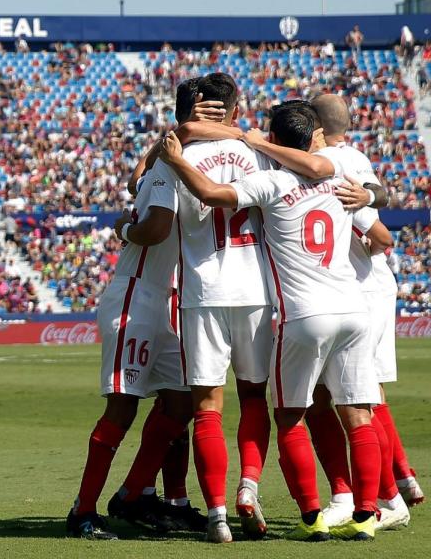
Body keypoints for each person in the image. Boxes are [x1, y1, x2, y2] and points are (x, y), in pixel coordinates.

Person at [162, 102, 384, 542]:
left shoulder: (272, 180)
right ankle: (367, 514)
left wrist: (175, 158)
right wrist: (372, 196)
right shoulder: (337, 176)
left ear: (275, 140)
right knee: (359, 415)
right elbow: (377, 232)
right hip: (354, 310)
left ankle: (311, 516)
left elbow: (211, 194)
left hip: (302, 313)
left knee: (288, 417)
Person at [67, 78, 201, 541]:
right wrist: (124, 230)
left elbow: (133, 179)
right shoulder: (169, 166)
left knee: (180, 402)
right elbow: (157, 229)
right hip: (137, 296)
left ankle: (133, 494)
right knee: (122, 407)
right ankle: (83, 511)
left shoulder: (176, 161)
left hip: (166, 297)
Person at [144, 73, 276, 543]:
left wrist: (176, 135)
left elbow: (138, 186)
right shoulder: (259, 151)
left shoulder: (175, 154)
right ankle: (248, 487)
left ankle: (217, 516)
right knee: (256, 398)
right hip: (256, 289)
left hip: (202, 289)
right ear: (234, 109)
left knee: (207, 409)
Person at [302, 94, 417, 530]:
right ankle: (394, 484)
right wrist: (370, 193)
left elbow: (380, 229)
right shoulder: (351, 157)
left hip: (356, 289)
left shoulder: (329, 161)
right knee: (357, 397)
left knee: (355, 399)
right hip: (359, 287)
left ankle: (384, 497)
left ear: (314, 125)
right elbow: (380, 200)